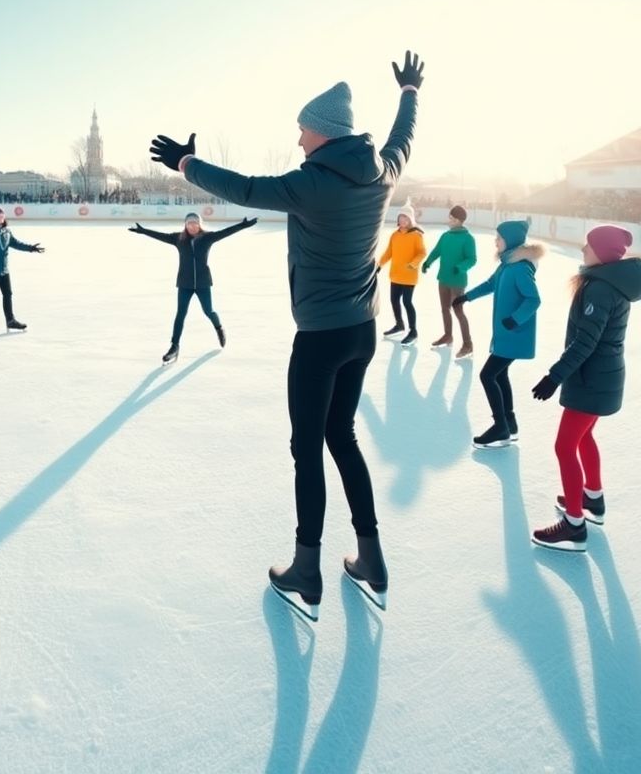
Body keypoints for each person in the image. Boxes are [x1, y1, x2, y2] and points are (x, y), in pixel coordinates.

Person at [150, 49, 424, 618]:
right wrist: (410, 94)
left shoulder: (312, 183)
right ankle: (371, 558)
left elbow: (246, 188)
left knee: (308, 450)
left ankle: (307, 571)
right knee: (341, 438)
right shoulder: (382, 172)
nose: (298, 139)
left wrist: (186, 164)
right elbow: (402, 138)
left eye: (302, 131)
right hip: (362, 330)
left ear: (322, 134)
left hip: (321, 338)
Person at [529, 226, 641, 550]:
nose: (583, 249)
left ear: (603, 252)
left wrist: (554, 376)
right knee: (584, 438)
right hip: (602, 377)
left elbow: (586, 342)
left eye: (589, 245)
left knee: (565, 447)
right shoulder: (611, 282)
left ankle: (574, 525)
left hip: (591, 379)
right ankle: (593, 499)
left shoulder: (600, 289)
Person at [456, 220, 543, 448]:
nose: (495, 241)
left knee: (488, 375)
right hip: (506, 334)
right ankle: (510, 423)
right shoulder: (506, 265)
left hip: (514, 333)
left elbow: (533, 299)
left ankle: (500, 427)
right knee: (500, 375)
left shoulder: (520, 268)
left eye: (499, 238)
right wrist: (467, 297)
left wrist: (515, 319)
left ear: (511, 240)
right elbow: (490, 284)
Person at [129, 212, 257, 363]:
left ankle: (219, 328)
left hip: (203, 283)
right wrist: (143, 231)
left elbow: (226, 232)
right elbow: (161, 236)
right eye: (189, 223)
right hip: (185, 283)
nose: (192, 226)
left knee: (209, 311)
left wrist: (242, 225)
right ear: (185, 225)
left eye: (195, 223)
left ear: (199, 224)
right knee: (181, 314)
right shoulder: (179, 239)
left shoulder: (207, 238)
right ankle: (174, 346)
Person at [0, 206, 45, 337]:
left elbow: (16, 243)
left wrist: (31, 248)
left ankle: (10, 320)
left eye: (2, 216)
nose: (1, 218)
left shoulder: (6, 232)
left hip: (4, 270)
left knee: (8, 294)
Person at [421, 204, 477, 357]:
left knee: (458, 311)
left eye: (452, 218)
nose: (449, 220)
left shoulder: (468, 239)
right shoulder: (445, 236)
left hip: (458, 281)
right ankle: (448, 335)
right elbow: (437, 251)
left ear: (459, 221)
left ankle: (468, 344)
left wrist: (460, 267)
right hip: (443, 278)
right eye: (450, 217)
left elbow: (472, 259)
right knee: (445, 308)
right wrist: (427, 262)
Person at [377, 203, 426, 345]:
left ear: (410, 219)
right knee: (394, 300)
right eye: (401, 217)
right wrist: (379, 264)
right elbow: (389, 252)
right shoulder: (395, 235)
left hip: (409, 276)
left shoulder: (416, 235)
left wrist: (413, 264)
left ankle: (413, 331)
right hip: (396, 274)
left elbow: (422, 252)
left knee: (407, 302)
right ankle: (399, 324)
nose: (403, 220)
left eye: (406, 217)